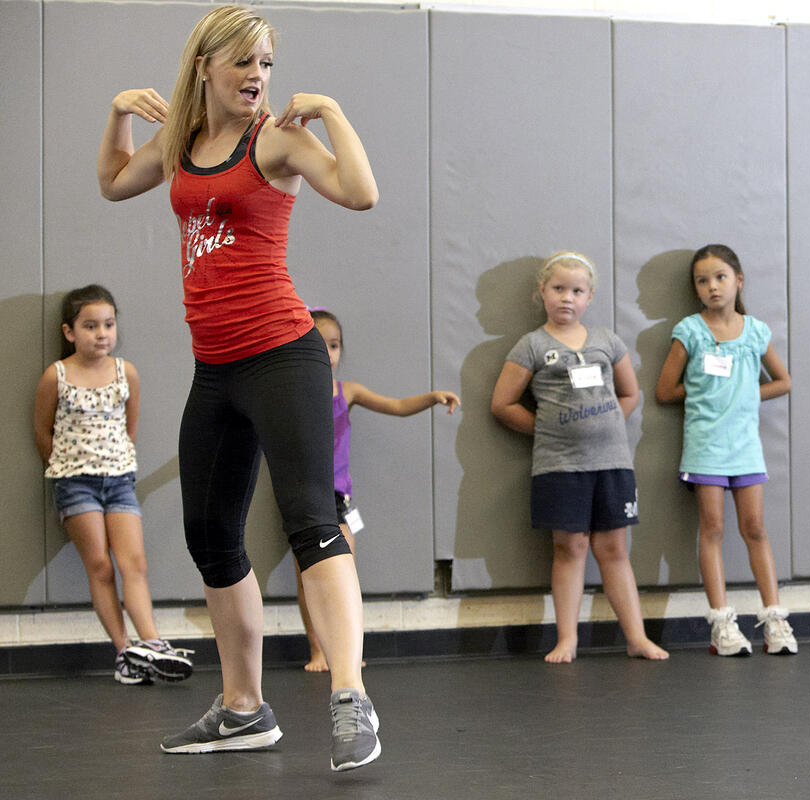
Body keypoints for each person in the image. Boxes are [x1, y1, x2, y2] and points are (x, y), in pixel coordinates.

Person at [96, 4, 381, 771]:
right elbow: (116, 181)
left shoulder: (279, 139)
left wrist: (332, 112)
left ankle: (350, 694)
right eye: (244, 64)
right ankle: (244, 708)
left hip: (284, 355)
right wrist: (119, 112)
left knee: (310, 520)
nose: (258, 78)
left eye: (267, 65)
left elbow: (360, 193)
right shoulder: (183, 145)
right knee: (210, 536)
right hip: (216, 367)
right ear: (206, 68)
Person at [491, 251, 669, 664]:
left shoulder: (607, 341)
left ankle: (637, 637)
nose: (566, 298)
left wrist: (603, 421)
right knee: (570, 547)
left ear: (589, 297)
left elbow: (630, 394)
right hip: (559, 466)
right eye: (558, 289)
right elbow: (502, 404)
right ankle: (567, 637)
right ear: (542, 292)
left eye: (577, 291)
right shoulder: (532, 345)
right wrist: (549, 428)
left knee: (614, 550)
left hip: (612, 463)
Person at [33, 285, 195, 686]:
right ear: (69, 332)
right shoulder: (56, 375)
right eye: (90, 326)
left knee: (133, 563)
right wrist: (66, 467)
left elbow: (130, 428)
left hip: (120, 480)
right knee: (101, 566)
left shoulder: (127, 373)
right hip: (75, 483)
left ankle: (152, 644)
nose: (101, 333)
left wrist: (116, 463)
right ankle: (125, 653)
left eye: (108, 324)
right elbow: (41, 430)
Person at [295, 309, 460, 672]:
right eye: (318, 345)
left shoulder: (346, 392)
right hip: (301, 494)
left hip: (337, 497)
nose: (328, 353)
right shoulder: (290, 393)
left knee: (342, 573)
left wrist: (431, 397)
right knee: (308, 576)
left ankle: (346, 653)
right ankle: (318, 650)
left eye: (334, 345)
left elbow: (398, 406)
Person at [655, 245, 796, 656]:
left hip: (746, 448)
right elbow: (665, 390)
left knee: (755, 528)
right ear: (695, 289)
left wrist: (745, 394)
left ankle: (775, 619)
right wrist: (704, 390)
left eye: (720, 277)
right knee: (712, 529)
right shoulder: (690, 331)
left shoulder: (754, 331)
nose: (713, 286)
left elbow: (782, 381)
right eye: (703, 280)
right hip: (705, 449)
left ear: (739, 281)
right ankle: (721, 623)